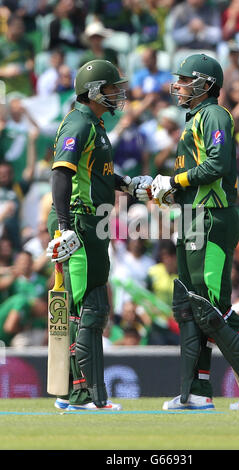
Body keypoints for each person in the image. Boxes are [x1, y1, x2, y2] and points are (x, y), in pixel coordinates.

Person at [150, 53, 239, 411]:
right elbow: (196, 174)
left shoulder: (214, 114)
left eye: (183, 79)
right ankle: (195, 392)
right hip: (194, 216)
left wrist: (175, 180)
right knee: (194, 308)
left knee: (211, 307)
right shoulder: (195, 117)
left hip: (211, 218)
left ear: (204, 84)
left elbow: (217, 163)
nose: (177, 86)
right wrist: (168, 191)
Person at [46, 59, 153, 412]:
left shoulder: (94, 123)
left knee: (90, 307)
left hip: (91, 221)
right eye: (110, 88)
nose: (117, 94)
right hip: (79, 220)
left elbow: (99, 173)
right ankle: (83, 396)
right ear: (93, 92)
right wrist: (63, 228)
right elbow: (61, 175)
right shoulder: (79, 122)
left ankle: (70, 392)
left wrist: (127, 185)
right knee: (88, 309)